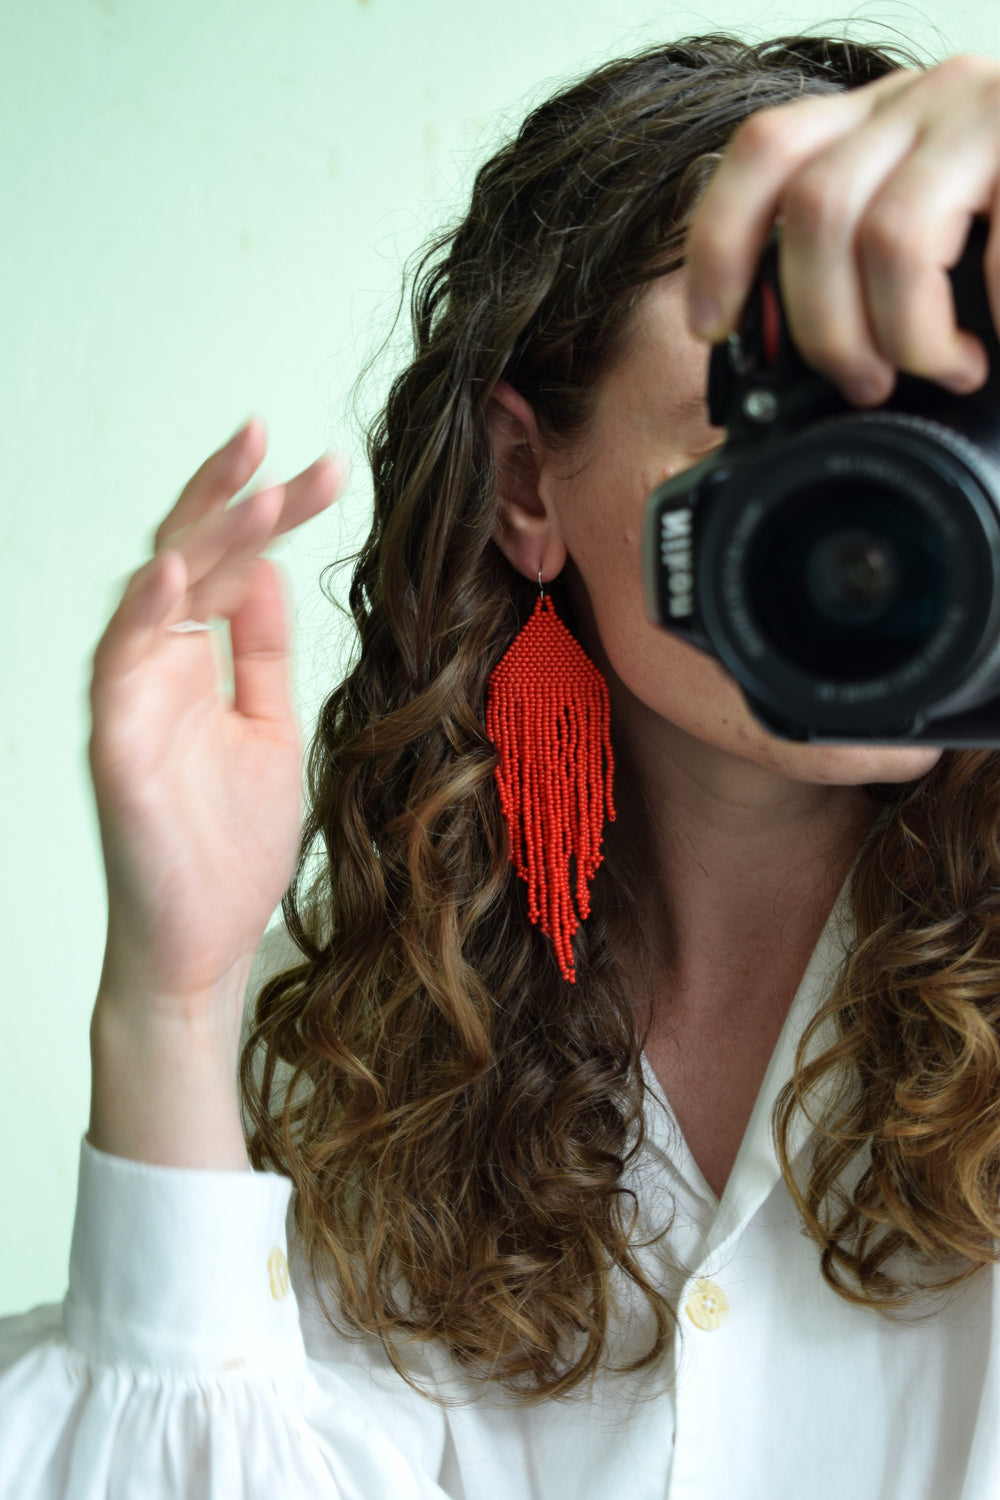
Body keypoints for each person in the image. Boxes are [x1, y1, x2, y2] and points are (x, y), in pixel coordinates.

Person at [2, 29, 1000, 1499]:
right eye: (777, 384)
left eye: (931, 412)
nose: (872, 501)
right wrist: (175, 1003)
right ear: (528, 481)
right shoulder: (366, 1053)